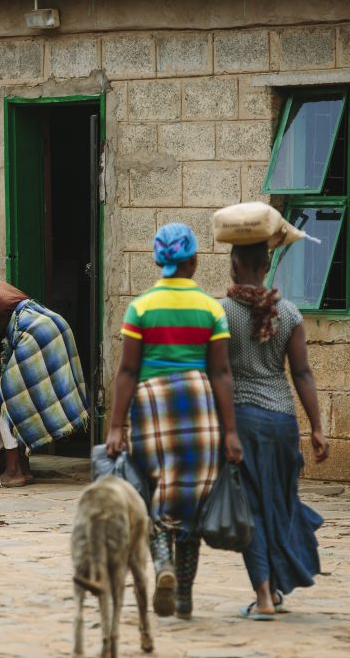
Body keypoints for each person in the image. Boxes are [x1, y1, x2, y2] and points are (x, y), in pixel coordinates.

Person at [105, 223, 242, 621]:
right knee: (193, 499)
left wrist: (116, 427)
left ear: (157, 260)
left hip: (151, 407)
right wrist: (230, 432)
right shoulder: (210, 308)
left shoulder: (141, 307)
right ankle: (183, 596)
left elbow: (127, 371)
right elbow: (221, 374)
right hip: (199, 408)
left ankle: (161, 562)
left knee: (154, 492)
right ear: (195, 260)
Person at [218, 240, 330, 621]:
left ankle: (264, 595)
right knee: (279, 503)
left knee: (250, 508)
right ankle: (276, 590)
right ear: (266, 267)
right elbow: (302, 373)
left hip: (243, 422)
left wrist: (224, 430)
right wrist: (317, 427)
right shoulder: (290, 313)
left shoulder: (223, 314)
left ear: (235, 266)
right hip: (283, 422)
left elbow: (219, 374)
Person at [0, 257, 90, 488]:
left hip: (35, 333)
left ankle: (14, 472)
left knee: (3, 400)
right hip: (54, 324)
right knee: (19, 396)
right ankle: (24, 468)